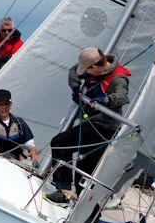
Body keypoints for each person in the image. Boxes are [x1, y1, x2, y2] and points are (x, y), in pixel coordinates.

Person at [45, 47, 130, 204]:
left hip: (104, 128)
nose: (86, 74)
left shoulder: (118, 78)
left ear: (94, 67)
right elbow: (73, 72)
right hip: (91, 124)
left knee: (62, 145)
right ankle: (65, 192)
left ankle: (89, 220)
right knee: (66, 150)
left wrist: (104, 100)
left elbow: (121, 97)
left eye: (88, 71)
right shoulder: (91, 69)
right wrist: (76, 88)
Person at [0, 89, 39, 162]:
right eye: (0, 104)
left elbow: (29, 143)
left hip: (20, 161)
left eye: (6, 104)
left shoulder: (19, 122)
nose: (4, 107)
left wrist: (33, 152)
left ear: (10, 105)